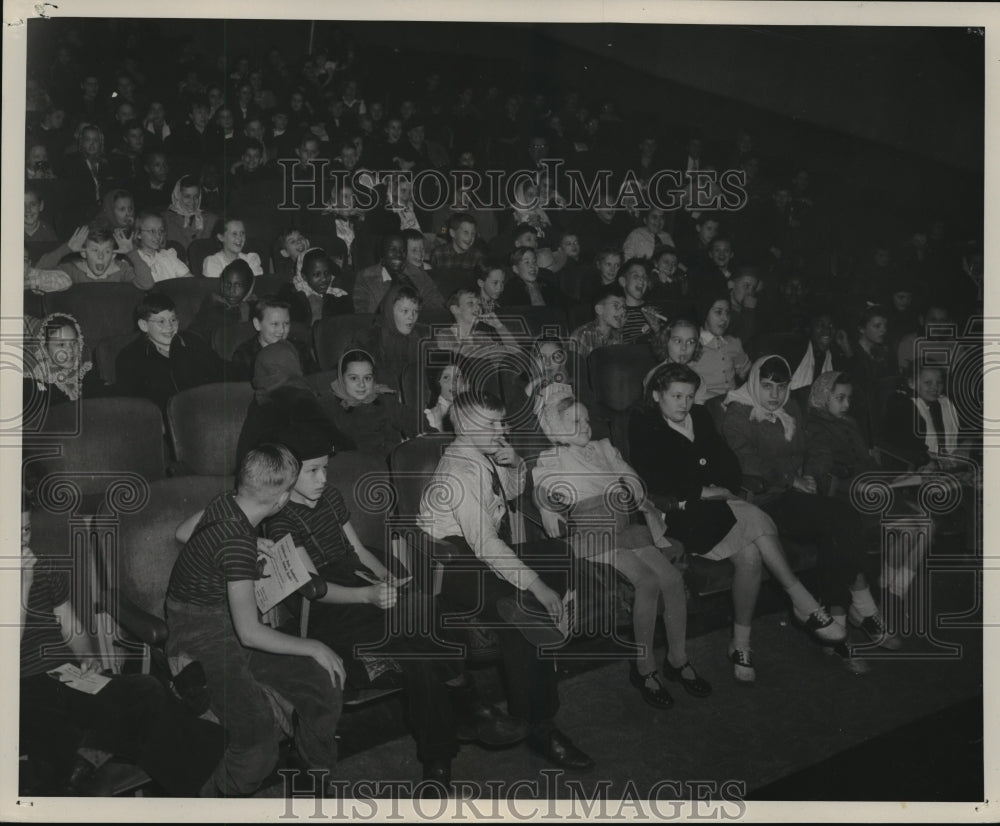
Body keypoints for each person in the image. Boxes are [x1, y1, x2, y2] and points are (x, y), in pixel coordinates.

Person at [261, 422, 524, 792]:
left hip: (361, 585)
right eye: (313, 471)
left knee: (420, 637)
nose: (323, 478)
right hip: (326, 609)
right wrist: (367, 596)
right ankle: (467, 705)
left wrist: (389, 579)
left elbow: (358, 551)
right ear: (288, 474)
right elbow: (312, 590)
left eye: (326, 468)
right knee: (423, 628)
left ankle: (439, 757)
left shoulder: (331, 497)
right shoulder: (281, 519)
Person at [630, 363, 848, 682]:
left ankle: (741, 645)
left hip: (720, 504)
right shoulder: (645, 426)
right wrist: (702, 488)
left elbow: (729, 463)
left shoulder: (701, 417)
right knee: (756, 520)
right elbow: (654, 477)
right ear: (656, 395)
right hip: (682, 513)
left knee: (752, 555)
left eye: (690, 396)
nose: (684, 403)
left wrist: (715, 484)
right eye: (676, 396)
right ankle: (802, 601)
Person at [418, 391, 595, 770]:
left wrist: (514, 462)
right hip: (451, 567)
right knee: (523, 614)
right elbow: (484, 543)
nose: (501, 429)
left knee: (559, 553)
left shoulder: (481, 454)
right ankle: (539, 725)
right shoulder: (460, 472)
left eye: (501, 422)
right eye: (492, 424)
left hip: (479, 554)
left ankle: (547, 615)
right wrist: (536, 585)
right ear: (464, 426)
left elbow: (511, 494)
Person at [167, 444, 344, 797]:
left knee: (323, 678)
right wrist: (314, 645)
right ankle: (210, 803)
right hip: (200, 636)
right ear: (280, 502)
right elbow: (249, 634)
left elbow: (183, 532)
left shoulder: (226, 502)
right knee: (258, 744)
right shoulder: (236, 544)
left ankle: (314, 773)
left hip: (227, 623)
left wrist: (249, 541)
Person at [19, 491, 218, 796]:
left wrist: (88, 658)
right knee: (62, 732)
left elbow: (71, 627)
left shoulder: (44, 566)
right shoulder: (26, 575)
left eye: (26, 530)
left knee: (147, 689)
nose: (22, 542)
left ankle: (200, 787)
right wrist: (23, 584)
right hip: (20, 688)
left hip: (64, 674)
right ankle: (94, 752)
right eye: (13, 531)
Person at [534, 394, 712, 707]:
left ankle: (678, 658)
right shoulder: (553, 457)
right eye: (575, 422)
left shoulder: (604, 447)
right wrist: (546, 506)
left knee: (670, 578)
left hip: (625, 527)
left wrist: (632, 487)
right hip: (593, 531)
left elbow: (631, 476)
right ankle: (644, 669)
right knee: (647, 581)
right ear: (556, 430)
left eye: (587, 419)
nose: (585, 426)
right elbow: (541, 486)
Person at [721, 355, 899, 655]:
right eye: (767, 387)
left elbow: (814, 445)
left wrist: (813, 475)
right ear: (754, 384)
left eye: (782, 386)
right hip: (766, 499)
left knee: (840, 525)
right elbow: (747, 461)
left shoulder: (790, 407)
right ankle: (860, 607)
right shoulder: (737, 414)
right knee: (841, 519)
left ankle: (838, 616)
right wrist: (793, 479)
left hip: (799, 493)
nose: (775, 395)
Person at [115, 291, 229, 412]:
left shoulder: (192, 341)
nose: (169, 327)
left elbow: (222, 370)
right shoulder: (130, 357)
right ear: (144, 325)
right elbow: (135, 406)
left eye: (173, 320)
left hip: (207, 411)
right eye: (161, 321)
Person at [803, 371, 879, 497]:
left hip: (870, 484)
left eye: (849, 398)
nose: (847, 405)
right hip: (845, 493)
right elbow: (822, 477)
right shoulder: (815, 427)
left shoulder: (848, 421)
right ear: (824, 396)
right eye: (840, 398)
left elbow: (865, 458)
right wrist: (860, 487)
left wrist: (886, 477)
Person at [326, 349, 412, 458]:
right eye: (353, 378)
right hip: (353, 467)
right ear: (342, 379)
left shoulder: (383, 400)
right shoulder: (330, 407)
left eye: (367, 378)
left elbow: (411, 418)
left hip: (390, 463)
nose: (361, 384)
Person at [353, 234, 446, 314]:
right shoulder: (366, 277)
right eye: (392, 249)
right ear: (382, 253)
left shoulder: (418, 274)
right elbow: (362, 316)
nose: (399, 254)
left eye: (403, 250)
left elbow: (438, 304)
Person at [361, 284, 429, 390]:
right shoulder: (368, 339)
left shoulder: (423, 336)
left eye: (415, 311)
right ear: (390, 311)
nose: (411, 317)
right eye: (405, 311)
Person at [232, 297, 317, 380]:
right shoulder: (244, 356)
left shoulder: (300, 348)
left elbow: (315, 380)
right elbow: (243, 391)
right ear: (257, 324)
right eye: (275, 324)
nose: (282, 330)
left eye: (286, 323)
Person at [690, 293, 751, 403]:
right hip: (707, 405)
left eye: (727, 313)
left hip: (734, 404)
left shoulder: (733, 343)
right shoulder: (692, 345)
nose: (725, 318)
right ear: (705, 314)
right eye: (718, 312)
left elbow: (746, 372)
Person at [435, 288, 521, 361]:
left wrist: (499, 327)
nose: (477, 307)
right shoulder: (445, 335)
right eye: (470, 303)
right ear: (455, 309)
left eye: (478, 304)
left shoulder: (482, 336)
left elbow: (515, 354)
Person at [56, 224, 152, 288]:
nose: (100, 256)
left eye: (107, 251)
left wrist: (132, 253)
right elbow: (41, 270)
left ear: (113, 255)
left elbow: (147, 283)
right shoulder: (72, 270)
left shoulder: (121, 270)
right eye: (94, 250)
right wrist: (66, 248)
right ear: (84, 253)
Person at [277, 247, 353, 325]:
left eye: (327, 273)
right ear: (304, 277)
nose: (323, 279)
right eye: (317, 274)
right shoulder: (290, 296)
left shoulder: (340, 297)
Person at [189, 259, 257, 343]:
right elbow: (194, 333)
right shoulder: (212, 306)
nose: (231, 290)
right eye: (227, 284)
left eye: (238, 285)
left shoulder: (255, 308)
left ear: (248, 287)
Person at [126, 211, 192, 283]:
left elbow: (189, 280)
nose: (158, 236)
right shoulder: (132, 261)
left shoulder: (168, 256)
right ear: (138, 234)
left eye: (161, 231)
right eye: (152, 231)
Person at [643, 317, 703, 392]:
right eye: (678, 341)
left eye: (690, 342)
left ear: (696, 346)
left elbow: (700, 401)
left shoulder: (695, 373)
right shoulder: (655, 376)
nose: (684, 348)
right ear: (665, 342)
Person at [569, 284, 626, 360]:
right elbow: (575, 369)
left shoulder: (617, 337)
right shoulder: (582, 335)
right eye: (616, 305)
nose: (623, 311)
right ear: (599, 309)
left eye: (624, 307)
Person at [162, 175, 217, 252]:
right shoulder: (164, 219)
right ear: (178, 195)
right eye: (187, 196)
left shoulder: (211, 219)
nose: (192, 201)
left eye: (196, 197)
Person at [617, 258, 663, 344]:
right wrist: (618, 329)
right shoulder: (616, 312)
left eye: (644, 277)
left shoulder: (655, 311)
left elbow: (664, 348)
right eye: (636, 276)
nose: (642, 280)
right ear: (623, 281)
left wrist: (656, 328)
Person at [422, 354, 466, 433]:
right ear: (437, 382)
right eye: (446, 377)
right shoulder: (429, 418)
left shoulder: (473, 412)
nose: (453, 383)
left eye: (457, 377)